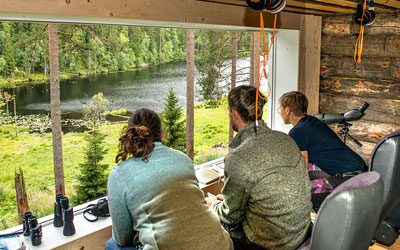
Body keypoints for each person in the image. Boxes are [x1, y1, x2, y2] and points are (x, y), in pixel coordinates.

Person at [106, 108, 233, 250]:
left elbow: (122, 238)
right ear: (161, 134)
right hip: (221, 243)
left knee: (112, 245)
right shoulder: (182, 158)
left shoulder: (119, 174)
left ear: (131, 135)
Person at [206, 86, 312, 250]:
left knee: (209, 224)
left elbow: (230, 215)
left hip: (271, 243)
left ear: (234, 114)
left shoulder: (238, 157)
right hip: (302, 232)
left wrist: (214, 204)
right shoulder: (285, 139)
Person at [278, 91, 367, 210]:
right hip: (359, 171)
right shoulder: (311, 121)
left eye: (280, 109)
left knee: (298, 196)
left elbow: (301, 168)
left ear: (288, 110)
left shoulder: (298, 131)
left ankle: (312, 227)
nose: (280, 113)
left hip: (348, 179)